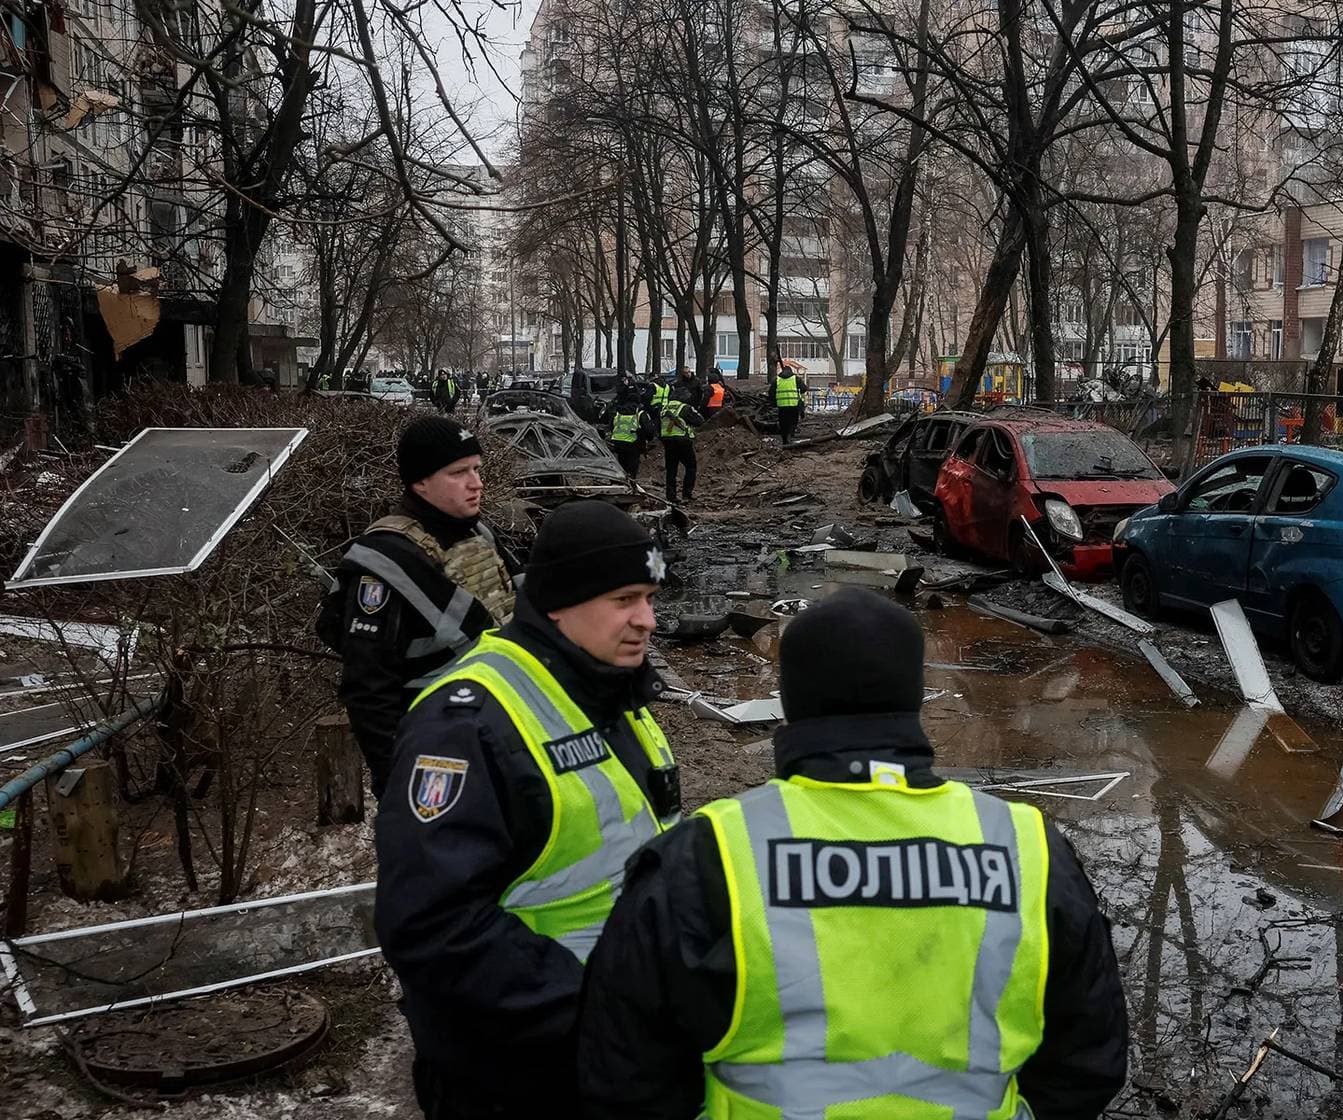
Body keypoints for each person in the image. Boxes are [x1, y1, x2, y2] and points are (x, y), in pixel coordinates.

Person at [576, 588, 1129, 1120]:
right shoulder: (1026, 847)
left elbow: (623, 1074)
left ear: (789, 700)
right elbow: (1087, 1061)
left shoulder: (707, 854)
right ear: (913, 696)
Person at [377, 500, 683, 1120]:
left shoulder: (604, 688)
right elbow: (433, 927)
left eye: (650, 598)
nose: (647, 620)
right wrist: (597, 1015)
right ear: (559, 603)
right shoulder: (466, 724)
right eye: (625, 599)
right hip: (518, 1069)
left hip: (607, 1053)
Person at [320, 416, 517, 797]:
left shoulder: (478, 532)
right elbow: (368, 691)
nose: (476, 483)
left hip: (499, 734)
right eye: (458, 472)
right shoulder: (383, 562)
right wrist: (399, 783)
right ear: (420, 482)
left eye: (477, 468)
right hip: (438, 752)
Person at [658, 386, 703, 504]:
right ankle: (687, 494)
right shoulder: (685, 408)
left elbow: (658, 426)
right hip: (682, 441)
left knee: (671, 469)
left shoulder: (664, 408)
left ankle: (671, 496)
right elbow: (699, 421)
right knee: (691, 466)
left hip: (667, 441)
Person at [606, 384, 653, 478]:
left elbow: (611, 427)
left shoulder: (618, 412)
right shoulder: (640, 413)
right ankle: (631, 485)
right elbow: (649, 431)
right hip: (633, 444)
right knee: (632, 468)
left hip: (618, 444)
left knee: (622, 466)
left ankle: (621, 483)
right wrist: (647, 439)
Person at [773, 359, 805, 445]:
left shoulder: (777, 380)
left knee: (783, 423)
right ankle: (791, 435)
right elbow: (804, 389)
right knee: (793, 422)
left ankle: (784, 439)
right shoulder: (795, 379)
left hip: (782, 407)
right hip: (793, 406)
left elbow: (771, 393)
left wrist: (774, 403)